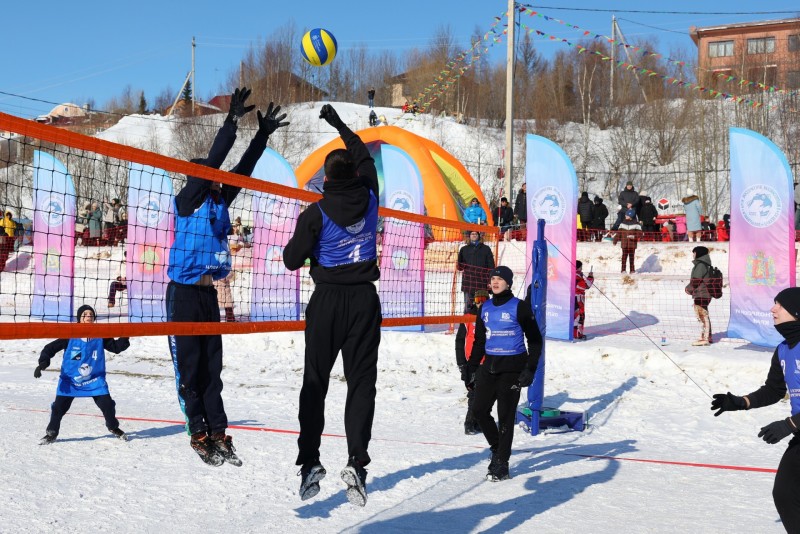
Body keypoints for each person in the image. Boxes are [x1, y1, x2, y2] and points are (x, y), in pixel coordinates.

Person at [166, 87, 288, 467]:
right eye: (209, 176)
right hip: (183, 294)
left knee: (212, 369)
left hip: (208, 295)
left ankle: (219, 432)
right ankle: (198, 432)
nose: (217, 180)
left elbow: (242, 170)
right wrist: (231, 120)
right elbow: (217, 159)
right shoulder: (187, 201)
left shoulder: (219, 200)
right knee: (190, 369)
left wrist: (262, 135)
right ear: (198, 178)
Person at [282, 104, 380, 507]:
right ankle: (357, 461)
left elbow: (290, 260)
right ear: (355, 174)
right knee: (361, 385)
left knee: (315, 384)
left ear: (325, 179)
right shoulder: (372, 192)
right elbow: (361, 151)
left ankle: (310, 463)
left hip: (327, 303)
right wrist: (339, 123)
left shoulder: (315, 213)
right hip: (364, 302)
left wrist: (310, 250)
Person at [710, 287, 800, 532]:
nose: (773, 310)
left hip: (796, 427)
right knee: (784, 494)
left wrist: (790, 424)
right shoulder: (783, 349)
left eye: (779, 305)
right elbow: (773, 390)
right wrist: (740, 402)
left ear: (796, 311)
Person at [465, 266, 543, 481]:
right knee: (479, 411)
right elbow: (480, 341)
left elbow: (535, 340)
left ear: (508, 282)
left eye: (500, 278)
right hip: (489, 366)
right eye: (493, 279)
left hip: (513, 367)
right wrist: (470, 369)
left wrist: (530, 368)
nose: (496, 282)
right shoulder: (485, 308)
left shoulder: (520, 307)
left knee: (505, 417)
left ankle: (502, 463)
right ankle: (498, 449)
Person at [34, 305, 130, 444]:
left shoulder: (100, 334)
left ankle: (113, 427)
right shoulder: (70, 334)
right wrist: (43, 363)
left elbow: (116, 348)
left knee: (108, 405)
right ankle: (51, 433)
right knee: (58, 408)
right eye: (85, 314)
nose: (88, 316)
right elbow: (50, 348)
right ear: (79, 318)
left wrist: (125, 335)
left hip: (94, 379)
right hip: (70, 380)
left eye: (91, 314)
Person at [455, 289, 490, 435]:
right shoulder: (468, 318)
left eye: (483, 299)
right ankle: (469, 423)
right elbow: (459, 342)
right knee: (474, 394)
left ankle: (478, 422)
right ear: (473, 302)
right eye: (477, 300)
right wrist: (462, 364)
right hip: (472, 363)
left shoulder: (492, 317)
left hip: (488, 362)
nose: (480, 302)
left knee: (487, 395)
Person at [457, 231, 495, 312]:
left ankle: (482, 324)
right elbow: (460, 267)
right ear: (469, 236)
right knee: (468, 306)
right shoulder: (464, 249)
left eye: (475, 234)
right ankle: (465, 324)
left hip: (482, 283)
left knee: (483, 306)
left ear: (479, 236)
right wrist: (459, 262)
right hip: (468, 282)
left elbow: (491, 267)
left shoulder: (486, 249)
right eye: (472, 234)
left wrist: (490, 281)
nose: (474, 235)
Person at [685, 245, 714, 346]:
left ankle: (705, 338)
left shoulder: (701, 265)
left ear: (698, 253)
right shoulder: (704, 264)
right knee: (702, 314)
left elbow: (696, 280)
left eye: (694, 252)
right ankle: (707, 336)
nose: (693, 255)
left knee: (702, 315)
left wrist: (688, 289)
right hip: (703, 293)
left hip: (702, 293)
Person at [574, 261, 594, 340]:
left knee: (575, 316)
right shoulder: (577, 276)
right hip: (578, 299)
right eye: (581, 267)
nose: (582, 269)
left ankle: (575, 333)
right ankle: (577, 334)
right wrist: (590, 277)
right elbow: (586, 285)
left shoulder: (573, 274)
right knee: (579, 317)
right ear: (578, 267)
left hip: (573, 298)